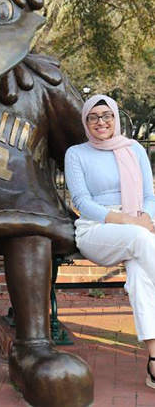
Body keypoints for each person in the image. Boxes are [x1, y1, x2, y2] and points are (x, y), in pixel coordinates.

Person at [65, 94, 155, 390]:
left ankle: (154, 362)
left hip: (138, 228)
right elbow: (82, 203)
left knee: (141, 279)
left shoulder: (135, 149)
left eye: (107, 115)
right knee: (141, 238)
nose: (101, 121)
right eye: (93, 116)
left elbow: (148, 197)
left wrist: (146, 219)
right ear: (86, 122)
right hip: (97, 230)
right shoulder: (76, 154)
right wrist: (134, 222)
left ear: (116, 119)